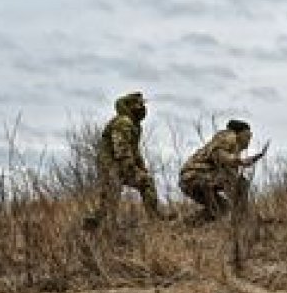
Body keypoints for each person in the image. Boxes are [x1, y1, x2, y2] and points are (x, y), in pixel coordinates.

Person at [84, 92, 164, 229]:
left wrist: (141, 168)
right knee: (118, 192)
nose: (143, 108)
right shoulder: (124, 122)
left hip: (117, 166)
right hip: (112, 166)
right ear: (132, 106)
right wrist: (131, 169)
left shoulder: (134, 125)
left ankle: (95, 225)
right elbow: (122, 149)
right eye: (139, 105)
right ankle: (154, 219)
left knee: (110, 199)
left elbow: (135, 151)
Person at [179, 119, 268, 222]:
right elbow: (217, 155)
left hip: (189, 181)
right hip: (195, 177)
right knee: (241, 183)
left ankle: (186, 222)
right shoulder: (229, 137)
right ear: (240, 134)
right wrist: (239, 161)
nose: (249, 140)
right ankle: (242, 220)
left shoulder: (232, 146)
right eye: (248, 136)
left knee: (222, 209)